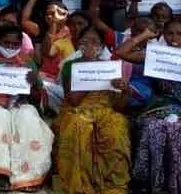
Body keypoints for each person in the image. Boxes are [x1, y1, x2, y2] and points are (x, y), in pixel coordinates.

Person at [54, 25, 132, 194]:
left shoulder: (110, 67)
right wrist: (90, 72)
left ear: (103, 46)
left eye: (95, 42)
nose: (90, 45)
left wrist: (126, 90)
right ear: (78, 45)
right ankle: (81, 183)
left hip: (106, 109)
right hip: (78, 109)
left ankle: (112, 183)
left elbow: (118, 106)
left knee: (116, 126)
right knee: (78, 124)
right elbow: (73, 100)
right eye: (84, 41)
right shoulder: (71, 66)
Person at [0, 24, 53, 191]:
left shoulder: (26, 61)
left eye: (15, 44)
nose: (10, 48)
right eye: (6, 43)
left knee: (29, 118)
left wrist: (34, 83)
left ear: (20, 44)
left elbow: (39, 96)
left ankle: (29, 175)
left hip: (19, 103)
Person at [132, 18, 181, 193]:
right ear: (163, 35)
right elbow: (122, 52)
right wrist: (146, 35)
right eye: (170, 33)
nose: (174, 38)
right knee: (154, 127)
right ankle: (157, 183)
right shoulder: (158, 56)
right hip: (163, 108)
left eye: (180, 33)